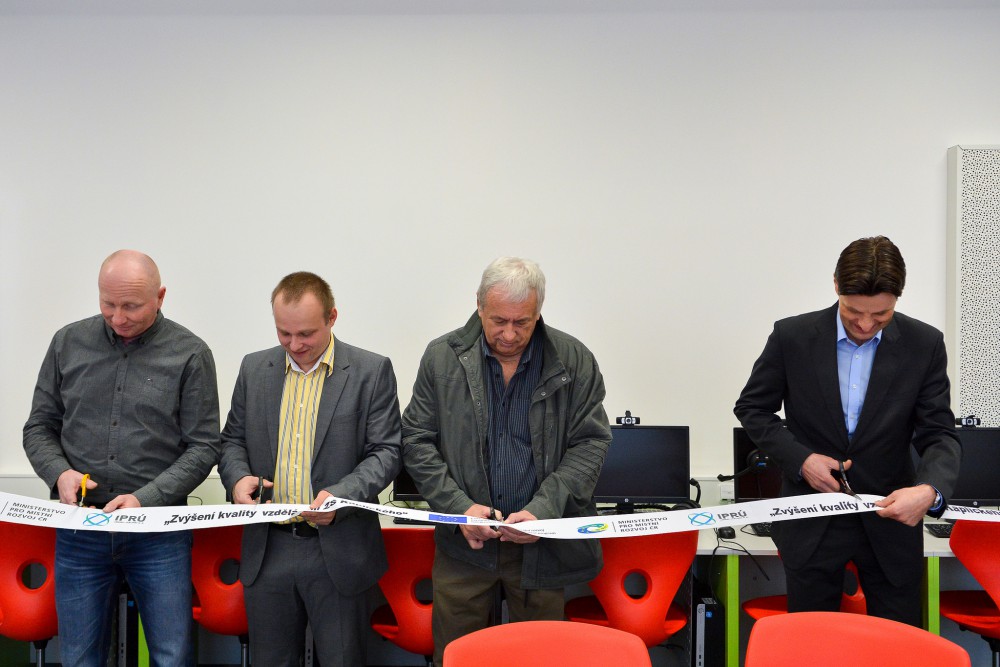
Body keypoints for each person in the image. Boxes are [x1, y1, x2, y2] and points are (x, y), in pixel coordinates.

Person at [734, 235, 961, 626]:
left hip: (892, 522)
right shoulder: (792, 337)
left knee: (897, 644)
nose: (866, 325)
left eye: (881, 315)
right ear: (836, 285)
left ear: (898, 298)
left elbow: (939, 432)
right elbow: (752, 408)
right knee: (811, 642)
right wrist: (801, 460)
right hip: (811, 519)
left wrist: (929, 490)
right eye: (854, 311)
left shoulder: (924, 344)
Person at [402, 256, 612, 665]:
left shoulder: (573, 359)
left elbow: (591, 444)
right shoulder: (442, 358)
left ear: (539, 311)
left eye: (523, 322)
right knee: (458, 656)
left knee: (539, 657)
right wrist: (458, 508)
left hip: (541, 549)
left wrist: (544, 509)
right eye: (499, 320)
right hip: (464, 546)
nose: (510, 334)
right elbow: (416, 440)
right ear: (479, 305)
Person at [23, 250, 221, 667]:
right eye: (107, 304)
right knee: (79, 657)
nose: (118, 317)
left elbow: (204, 446)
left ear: (160, 297)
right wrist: (59, 474)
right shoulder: (67, 343)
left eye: (131, 306)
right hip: (81, 529)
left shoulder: (190, 353)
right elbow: (39, 427)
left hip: (158, 532)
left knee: (171, 656)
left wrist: (146, 498)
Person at [217, 271, 401, 667]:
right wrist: (237, 479)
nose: (295, 345)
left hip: (338, 549)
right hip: (268, 549)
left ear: (332, 317)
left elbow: (386, 452)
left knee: (342, 660)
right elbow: (231, 440)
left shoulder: (370, 371)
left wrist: (342, 495)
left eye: (306, 334)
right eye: (284, 333)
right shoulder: (255, 368)